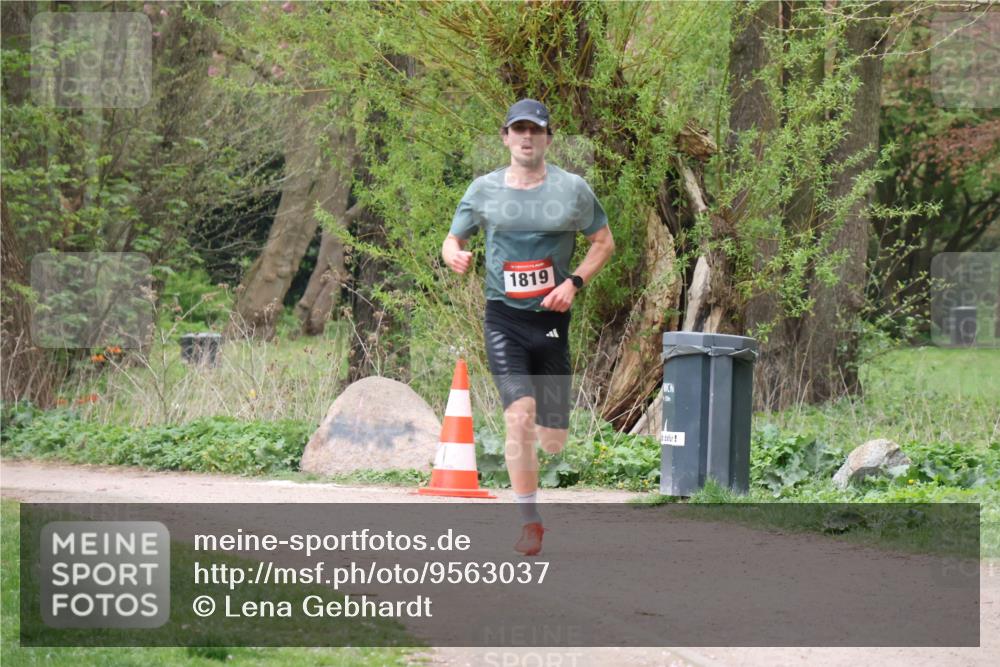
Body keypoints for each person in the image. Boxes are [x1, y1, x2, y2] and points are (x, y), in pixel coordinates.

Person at [441, 99, 615, 556]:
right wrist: (453, 254)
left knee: (553, 440)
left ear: (547, 139)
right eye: (518, 130)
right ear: (505, 137)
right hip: (504, 318)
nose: (526, 138)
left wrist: (574, 282)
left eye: (535, 131)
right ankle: (529, 520)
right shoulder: (483, 190)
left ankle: (547, 437)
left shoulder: (573, 189)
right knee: (518, 414)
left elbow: (604, 242)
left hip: (553, 321)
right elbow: (453, 237)